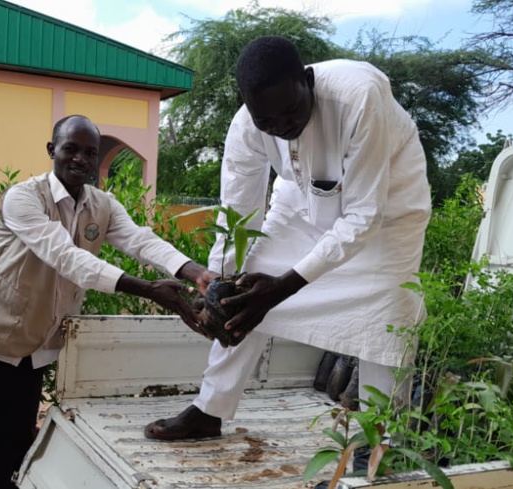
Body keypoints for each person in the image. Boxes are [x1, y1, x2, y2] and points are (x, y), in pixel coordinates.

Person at [143, 36, 432, 445]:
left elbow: (364, 214)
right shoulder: (246, 126)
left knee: (387, 317)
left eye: (291, 112)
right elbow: (237, 213)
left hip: (388, 212)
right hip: (301, 203)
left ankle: (383, 440)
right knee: (241, 292)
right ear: (247, 106)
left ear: (307, 80)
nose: (281, 127)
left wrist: (283, 287)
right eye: (268, 121)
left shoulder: (359, 97)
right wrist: (219, 284)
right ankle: (209, 410)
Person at [0, 114, 215, 489]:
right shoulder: (23, 197)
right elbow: (65, 257)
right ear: (51, 150)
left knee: (11, 465)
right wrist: (148, 289)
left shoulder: (102, 206)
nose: (80, 159)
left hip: (28, 353)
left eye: (90, 153)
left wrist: (196, 272)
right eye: (71, 149)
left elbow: (140, 241)